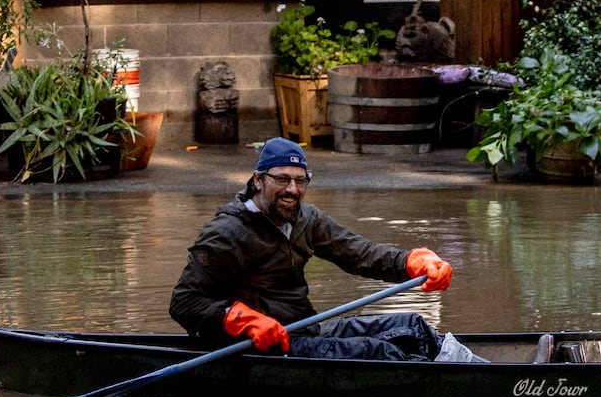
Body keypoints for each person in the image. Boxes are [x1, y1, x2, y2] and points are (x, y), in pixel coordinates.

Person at [170, 136, 469, 362]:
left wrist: (412, 262)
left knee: (413, 326)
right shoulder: (227, 232)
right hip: (260, 347)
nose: (292, 190)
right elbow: (184, 303)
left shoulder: (306, 219)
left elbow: (361, 254)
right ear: (258, 180)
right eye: (282, 179)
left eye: (300, 181)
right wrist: (241, 318)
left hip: (304, 331)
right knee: (380, 352)